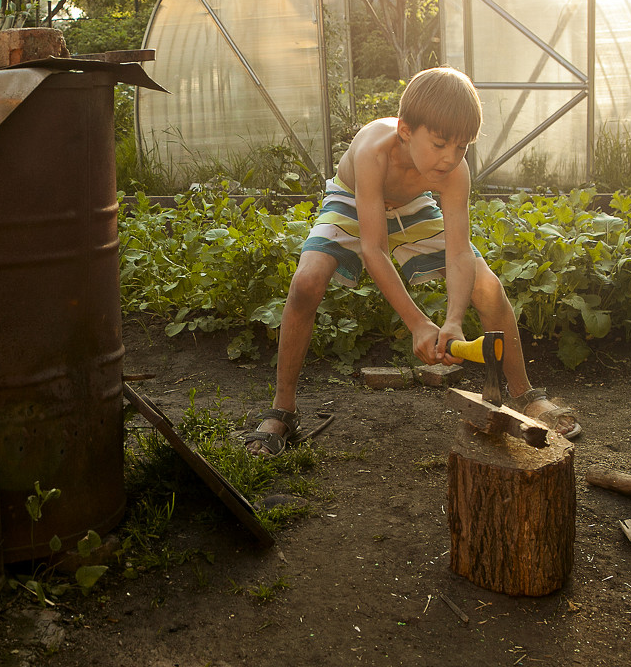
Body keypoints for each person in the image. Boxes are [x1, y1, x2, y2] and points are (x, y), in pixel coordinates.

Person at [240, 66, 581, 458]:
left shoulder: (453, 172)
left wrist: (453, 320)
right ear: (405, 130)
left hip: (413, 205)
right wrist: (418, 324)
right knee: (305, 283)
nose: (450, 158)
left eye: (462, 147)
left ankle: (525, 396)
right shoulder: (374, 152)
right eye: (439, 144)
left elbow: (458, 252)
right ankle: (283, 410)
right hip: (354, 199)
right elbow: (374, 249)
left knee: (487, 287)